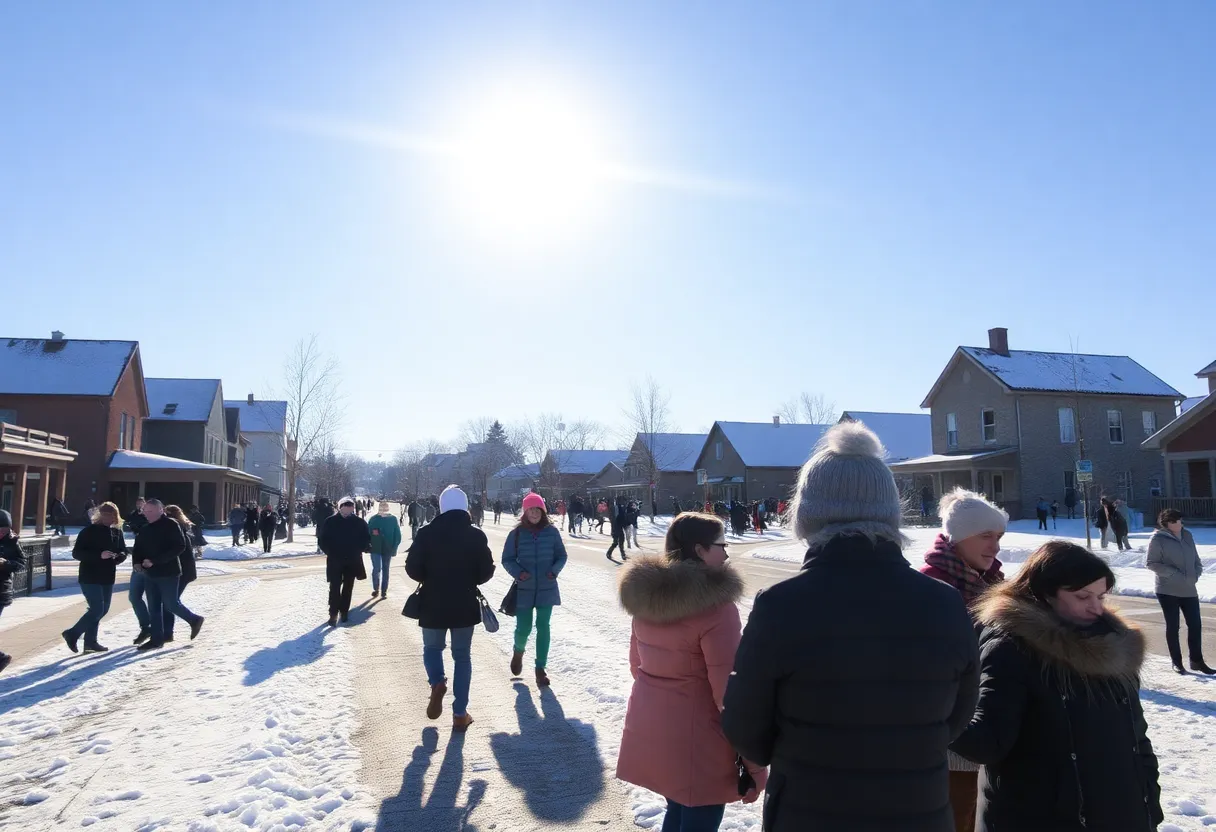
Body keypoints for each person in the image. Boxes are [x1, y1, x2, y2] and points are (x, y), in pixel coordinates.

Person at [722, 422, 980, 831]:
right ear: (890, 511)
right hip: (918, 810)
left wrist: (800, 751)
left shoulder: (782, 606)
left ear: (808, 514)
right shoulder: (944, 602)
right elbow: (958, 714)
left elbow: (744, 726)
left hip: (810, 808)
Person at [951, 541, 1164, 831]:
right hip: (1040, 818)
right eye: (1082, 596)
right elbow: (987, 743)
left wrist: (1149, 803)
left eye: (1101, 596)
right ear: (1045, 594)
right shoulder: (1012, 649)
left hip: (1123, 816)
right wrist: (937, 704)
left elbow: (1136, 739)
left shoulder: (1115, 647)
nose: (1096, 607)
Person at [616, 512, 766, 831]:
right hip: (701, 744)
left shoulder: (648, 597)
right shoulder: (716, 609)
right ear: (700, 550)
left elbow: (636, 666)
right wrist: (754, 764)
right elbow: (730, 694)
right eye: (720, 545)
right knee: (699, 817)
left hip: (653, 728)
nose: (726, 552)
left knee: (678, 810)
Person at [919, 489, 1007, 832]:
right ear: (958, 538)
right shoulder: (929, 585)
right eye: (985, 535)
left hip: (990, 733)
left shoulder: (995, 584)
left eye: (998, 536)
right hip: (947, 739)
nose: (995, 546)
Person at [405, 486, 495, 732]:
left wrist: (430, 576)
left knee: (432, 648)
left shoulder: (426, 533)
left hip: (432, 602)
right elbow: (485, 570)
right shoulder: (476, 536)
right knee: (462, 657)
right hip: (464, 603)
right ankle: (460, 713)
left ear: (441, 507)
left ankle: (437, 682)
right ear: (465, 506)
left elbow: (412, 568)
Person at [502, 492, 568, 687]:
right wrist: (518, 573)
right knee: (524, 628)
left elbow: (561, 556)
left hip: (547, 587)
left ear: (543, 511)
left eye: (537, 509)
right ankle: (518, 652)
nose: (534, 513)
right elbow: (507, 559)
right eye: (530, 509)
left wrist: (554, 571)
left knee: (543, 627)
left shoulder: (552, 532)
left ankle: (540, 668)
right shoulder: (516, 534)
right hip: (524, 588)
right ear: (525, 511)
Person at [1147, 509, 1214, 675]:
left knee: (1195, 625)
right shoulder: (1158, 539)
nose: (1180, 524)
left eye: (1181, 520)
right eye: (1177, 521)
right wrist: (1173, 574)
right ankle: (1177, 662)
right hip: (1167, 590)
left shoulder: (1187, 535)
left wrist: (1196, 572)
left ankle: (1197, 661)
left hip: (1189, 589)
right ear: (1168, 523)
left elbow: (1195, 559)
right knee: (1173, 626)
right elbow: (1151, 563)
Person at [133, 499, 204, 651]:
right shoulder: (145, 528)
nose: (147, 514)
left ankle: (194, 619)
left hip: (169, 572)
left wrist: (155, 561)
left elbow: (179, 546)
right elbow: (138, 547)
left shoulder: (171, 525)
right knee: (154, 607)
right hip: (149, 573)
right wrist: (137, 562)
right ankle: (157, 639)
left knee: (171, 604)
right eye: (145, 511)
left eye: (150, 511)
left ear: (160, 510)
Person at [62, 502, 128, 654]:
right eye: (105, 515)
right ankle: (72, 633)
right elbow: (77, 553)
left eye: (112, 516)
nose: (109, 519)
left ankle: (90, 642)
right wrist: (99, 555)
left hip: (108, 575)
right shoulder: (89, 531)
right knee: (97, 608)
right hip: (89, 575)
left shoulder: (117, 532)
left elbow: (123, 550)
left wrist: (118, 557)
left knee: (102, 609)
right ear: (99, 515)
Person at [318, 498, 370, 626]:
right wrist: (330, 551)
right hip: (335, 560)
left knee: (348, 586)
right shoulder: (330, 521)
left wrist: (361, 548)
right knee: (334, 587)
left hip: (352, 560)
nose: (347, 509)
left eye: (350, 507)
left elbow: (366, 539)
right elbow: (322, 539)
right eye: (345, 506)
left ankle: (344, 611)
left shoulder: (359, 522)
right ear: (340, 507)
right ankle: (333, 613)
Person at [162, 505, 201, 643]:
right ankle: (167, 633)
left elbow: (178, 552)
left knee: (169, 602)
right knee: (168, 602)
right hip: (182, 571)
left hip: (181, 571)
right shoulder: (182, 527)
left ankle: (194, 620)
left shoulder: (176, 529)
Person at [0, 509, 27, 674]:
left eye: (4, 530)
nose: (1, 533)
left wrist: (6, 563)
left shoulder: (12, 542)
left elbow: (21, 562)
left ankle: (2, 658)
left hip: (1, 591)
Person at [367, 500, 402, 599]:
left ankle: (384, 591)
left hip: (388, 548)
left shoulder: (393, 519)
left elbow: (397, 535)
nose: (383, 510)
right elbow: (367, 533)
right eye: (381, 508)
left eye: (385, 508)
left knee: (385, 570)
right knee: (376, 568)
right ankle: (376, 588)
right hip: (375, 548)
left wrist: (394, 548)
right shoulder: (373, 519)